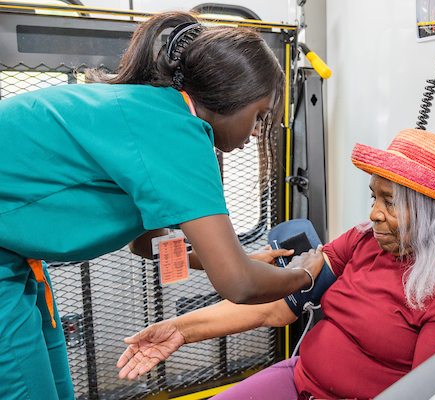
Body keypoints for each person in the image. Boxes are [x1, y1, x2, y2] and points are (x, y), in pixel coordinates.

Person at [0, 11, 324, 400]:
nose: (257, 131)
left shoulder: (155, 111)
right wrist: (304, 275)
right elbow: (237, 285)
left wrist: (235, 258)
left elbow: (146, 244)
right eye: (259, 116)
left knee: (53, 387)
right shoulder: (178, 133)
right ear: (230, 98)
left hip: (16, 254)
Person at [117, 129, 435, 400]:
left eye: (390, 202)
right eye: (373, 197)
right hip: (300, 379)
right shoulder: (364, 240)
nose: (374, 214)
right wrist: (180, 330)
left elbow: (426, 391)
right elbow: (279, 308)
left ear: (429, 211)